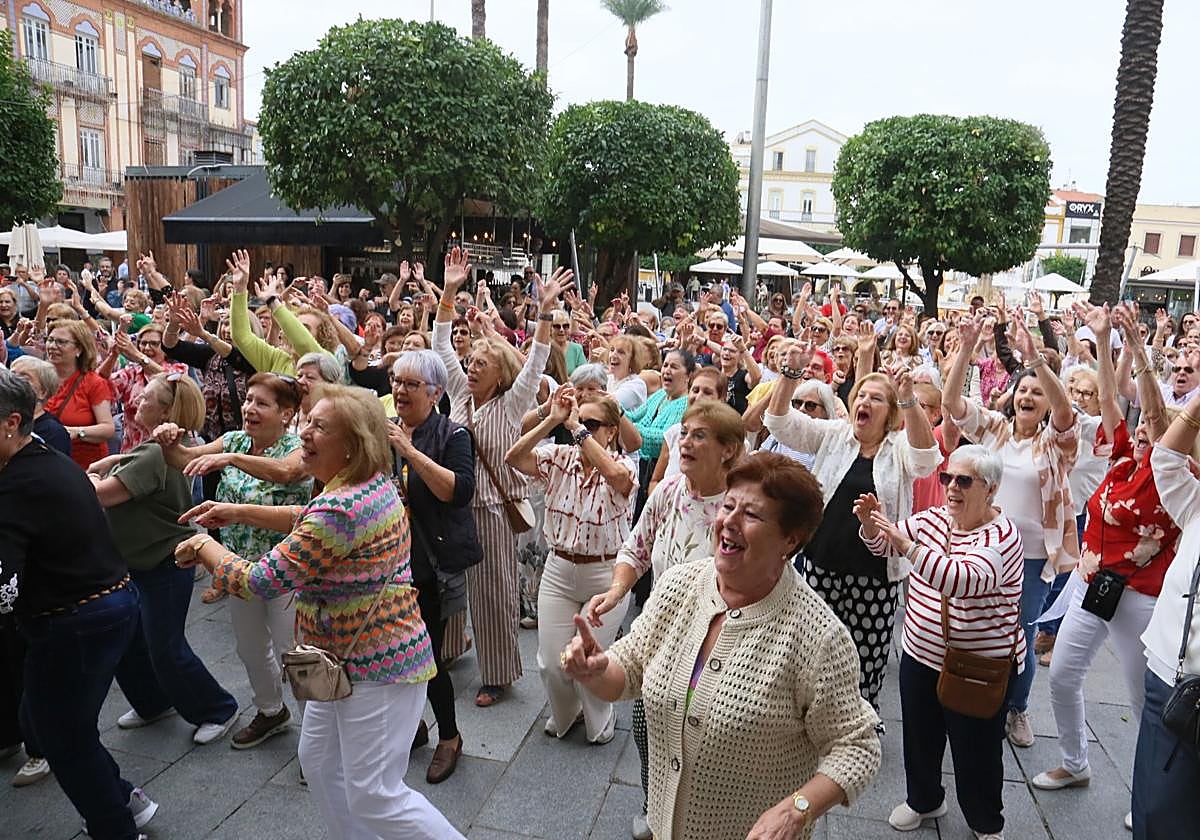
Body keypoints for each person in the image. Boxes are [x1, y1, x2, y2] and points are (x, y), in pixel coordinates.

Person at [174, 385, 463, 839]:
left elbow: (260, 581)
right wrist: (238, 512)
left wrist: (205, 545)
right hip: (342, 661)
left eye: (319, 426)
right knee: (320, 764)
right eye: (307, 422)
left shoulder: (341, 505)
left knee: (376, 794)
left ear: (352, 444)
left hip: (378, 667)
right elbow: (306, 516)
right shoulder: (362, 485)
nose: (304, 433)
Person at [562, 453, 881, 840]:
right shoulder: (680, 585)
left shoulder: (817, 636)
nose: (728, 521)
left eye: (752, 515)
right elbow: (627, 670)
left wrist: (798, 809)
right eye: (728, 505)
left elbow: (858, 746)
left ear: (790, 539)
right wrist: (596, 669)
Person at [1032, 306, 1178, 834]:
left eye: (1151, 431)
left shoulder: (1171, 471)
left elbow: (1155, 412)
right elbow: (1117, 406)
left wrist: (1138, 349)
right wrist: (1100, 341)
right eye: (1138, 431)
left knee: (1145, 703)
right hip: (1092, 583)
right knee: (1064, 675)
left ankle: (1152, 799)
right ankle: (1075, 763)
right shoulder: (1121, 457)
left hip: (1139, 595)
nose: (1141, 434)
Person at [0, 369, 160, 838]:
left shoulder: (17, 484)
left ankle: (114, 825)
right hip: (98, 609)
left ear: (11, 422)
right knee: (42, 719)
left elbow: (3, 590)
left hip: (78, 621)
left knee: (62, 736)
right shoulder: (38, 458)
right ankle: (123, 798)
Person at [587, 399, 744, 840]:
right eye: (685, 432)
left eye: (700, 435)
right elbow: (636, 550)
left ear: (728, 450)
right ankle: (655, 801)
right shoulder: (670, 491)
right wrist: (617, 590)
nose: (686, 442)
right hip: (662, 636)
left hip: (720, 643)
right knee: (645, 724)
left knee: (705, 739)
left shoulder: (740, 507)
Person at [857, 445, 1023, 838]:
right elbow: (883, 545)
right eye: (947, 478)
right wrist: (869, 525)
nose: (951, 488)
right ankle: (925, 800)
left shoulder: (1003, 537)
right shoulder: (934, 518)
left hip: (979, 664)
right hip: (920, 653)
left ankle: (986, 823)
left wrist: (905, 544)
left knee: (976, 751)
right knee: (920, 737)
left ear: (991, 489)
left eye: (964, 480)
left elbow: (962, 581)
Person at [432, 247, 572, 707]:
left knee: (493, 591)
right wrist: (450, 290)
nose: (470, 368)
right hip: (455, 503)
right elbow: (439, 346)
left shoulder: (512, 404)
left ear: (499, 375)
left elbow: (537, 359)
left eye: (480, 365)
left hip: (494, 509)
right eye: (469, 362)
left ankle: (497, 674)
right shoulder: (458, 396)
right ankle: (451, 648)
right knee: (448, 581)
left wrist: (547, 311)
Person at [765, 345, 940, 711]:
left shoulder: (898, 449)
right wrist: (790, 375)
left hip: (874, 578)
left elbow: (926, 459)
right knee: (810, 654)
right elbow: (779, 421)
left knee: (863, 662)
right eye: (861, 394)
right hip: (820, 567)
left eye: (877, 398)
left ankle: (858, 730)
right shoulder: (834, 434)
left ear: (890, 414)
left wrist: (908, 398)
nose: (865, 401)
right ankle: (807, 723)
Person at [154, 373, 313, 746]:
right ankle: (271, 710)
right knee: (250, 646)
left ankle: (317, 736)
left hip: (288, 571)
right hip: (239, 567)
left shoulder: (300, 447)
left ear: (287, 413)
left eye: (262, 403)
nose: (249, 408)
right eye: (248, 400)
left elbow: (287, 473)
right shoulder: (236, 440)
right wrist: (167, 442)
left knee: (296, 653)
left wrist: (230, 457)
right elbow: (187, 459)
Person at [943, 311, 1078, 749]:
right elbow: (953, 406)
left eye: (1037, 392)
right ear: (1013, 396)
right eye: (1023, 389)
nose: (1029, 395)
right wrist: (965, 348)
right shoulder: (996, 430)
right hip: (982, 545)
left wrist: (1036, 359)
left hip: (1034, 556)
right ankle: (969, 694)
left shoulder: (1055, 443)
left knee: (1017, 634)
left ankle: (1015, 708)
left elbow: (1064, 411)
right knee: (974, 625)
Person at [86, 374, 239, 746]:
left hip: (164, 565)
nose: (137, 399)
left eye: (147, 396)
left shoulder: (155, 452)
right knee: (131, 641)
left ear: (167, 410)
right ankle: (153, 702)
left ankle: (218, 708)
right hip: (139, 563)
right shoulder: (154, 448)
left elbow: (101, 495)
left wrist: (90, 472)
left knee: (165, 648)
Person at [506, 388, 637, 745]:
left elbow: (615, 475)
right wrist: (551, 418)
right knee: (551, 662)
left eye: (593, 424)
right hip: (560, 570)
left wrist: (577, 427)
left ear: (611, 430)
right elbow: (513, 457)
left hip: (606, 574)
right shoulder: (559, 456)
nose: (581, 428)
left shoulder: (626, 464)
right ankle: (566, 715)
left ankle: (600, 719)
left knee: (588, 659)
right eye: (579, 421)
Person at [386, 350, 481, 783]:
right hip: (388, 566)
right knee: (396, 655)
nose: (399, 390)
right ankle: (414, 727)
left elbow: (458, 492)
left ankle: (450, 736)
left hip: (429, 566)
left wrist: (408, 450)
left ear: (436, 392)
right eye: (396, 380)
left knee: (429, 656)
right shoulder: (384, 431)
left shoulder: (453, 435)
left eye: (410, 384)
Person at [1137, 392, 1200, 837]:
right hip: (1167, 677)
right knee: (1154, 809)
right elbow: (1167, 459)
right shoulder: (1196, 507)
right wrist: (1196, 408)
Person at [43, 319, 116, 469]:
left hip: (84, 467)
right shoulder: (40, 378)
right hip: (48, 463)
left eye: (61, 342)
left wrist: (77, 432)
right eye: (50, 340)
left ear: (79, 350)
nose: (52, 346)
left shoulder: (94, 383)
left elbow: (108, 428)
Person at [9, 356, 70, 455]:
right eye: (12, 375)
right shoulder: (5, 420)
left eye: (24, 377)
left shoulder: (53, 432)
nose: (14, 381)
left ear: (43, 392)